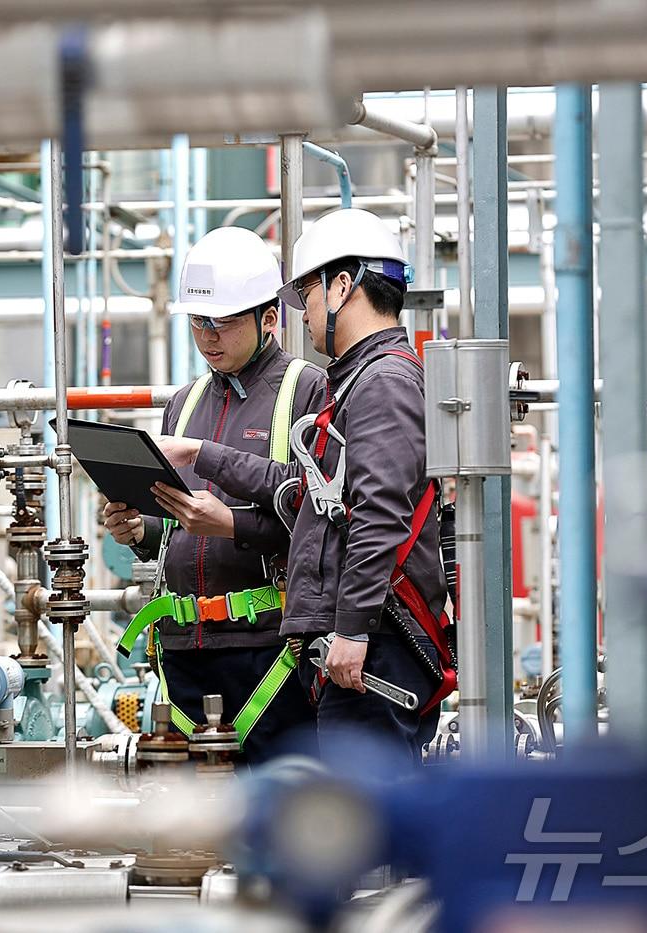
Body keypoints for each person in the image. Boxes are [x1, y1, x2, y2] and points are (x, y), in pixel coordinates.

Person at [157, 208, 455, 765]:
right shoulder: (356, 382)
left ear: (343, 286)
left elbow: (378, 516)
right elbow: (307, 495)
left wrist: (354, 630)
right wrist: (202, 456)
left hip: (370, 643)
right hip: (333, 643)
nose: (309, 317)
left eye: (309, 299)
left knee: (359, 822)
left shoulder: (380, 382)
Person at [101, 225, 326, 763]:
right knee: (192, 831)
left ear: (269, 317)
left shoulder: (306, 390)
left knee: (275, 812)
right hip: (182, 649)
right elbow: (179, 526)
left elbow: (319, 526)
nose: (208, 337)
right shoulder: (184, 401)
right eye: (199, 322)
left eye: (222, 322)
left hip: (268, 651)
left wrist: (231, 525)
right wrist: (140, 532)